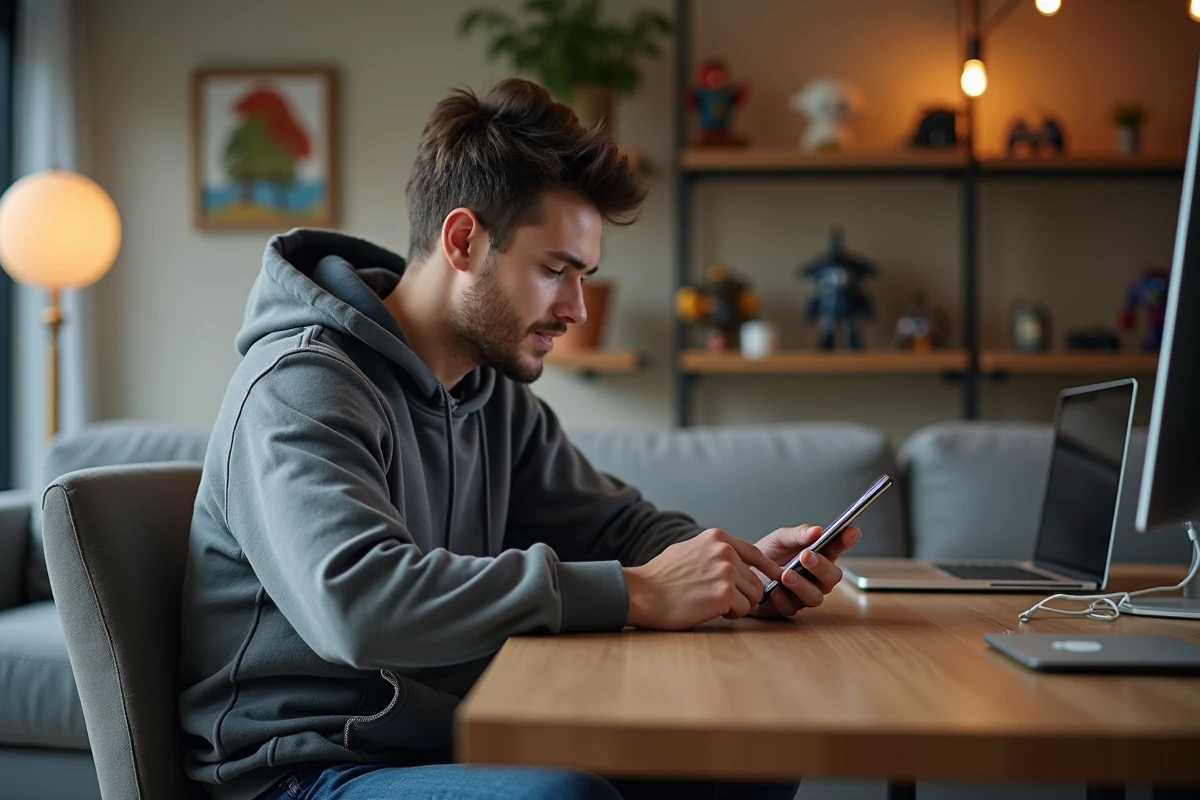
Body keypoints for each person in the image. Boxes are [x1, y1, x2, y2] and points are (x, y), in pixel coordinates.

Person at [178, 77, 861, 800]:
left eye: (584, 276)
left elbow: (616, 525)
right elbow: (358, 604)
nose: (575, 308)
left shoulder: (488, 392)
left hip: (443, 742)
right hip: (303, 770)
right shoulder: (299, 385)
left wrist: (737, 576)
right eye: (555, 271)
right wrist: (635, 594)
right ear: (465, 240)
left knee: (741, 766)